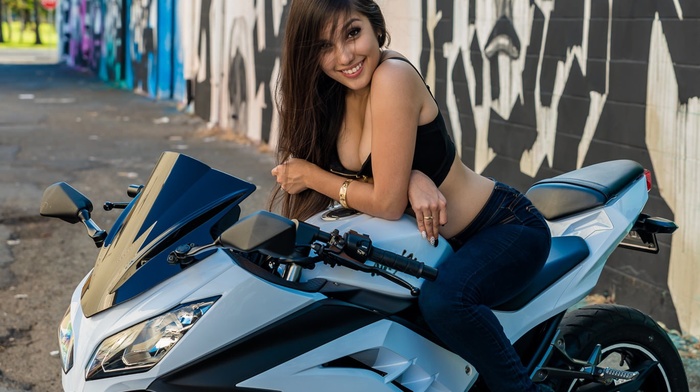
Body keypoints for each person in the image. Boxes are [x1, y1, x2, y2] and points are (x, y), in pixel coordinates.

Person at [269, 0, 552, 390]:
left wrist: (313, 176)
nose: (345, 56)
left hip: (500, 227)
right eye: (324, 46)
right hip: (434, 249)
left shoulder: (391, 77)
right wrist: (410, 176)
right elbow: (380, 175)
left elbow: (384, 203)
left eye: (353, 33)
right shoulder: (337, 94)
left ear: (375, 26)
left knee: (445, 303)